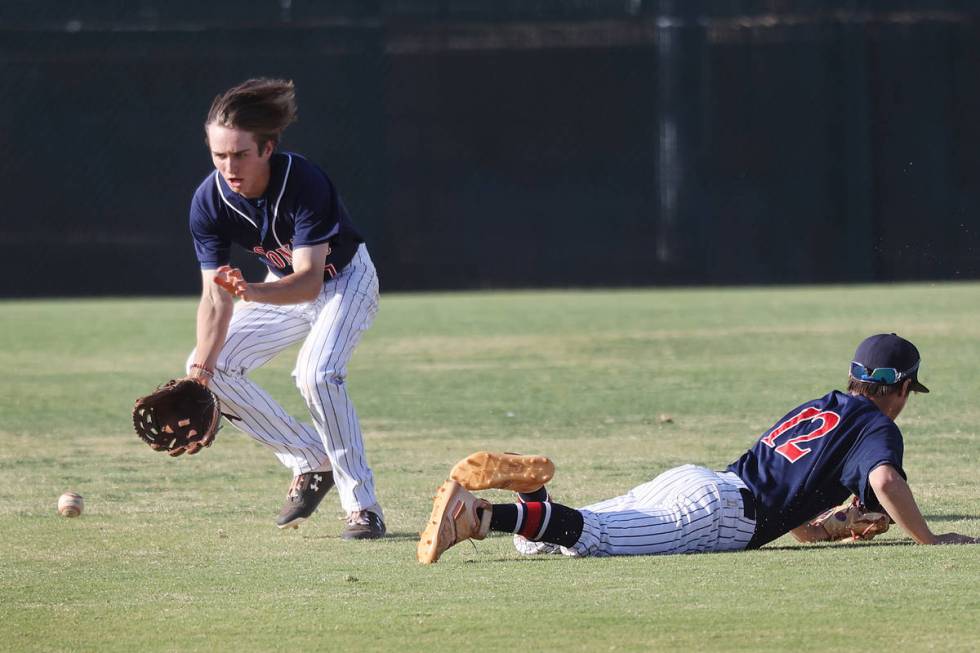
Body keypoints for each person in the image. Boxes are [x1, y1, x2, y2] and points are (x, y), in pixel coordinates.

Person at [418, 333, 978, 562]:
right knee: (594, 538)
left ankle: (530, 490)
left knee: (549, 544)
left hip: (701, 483)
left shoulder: (825, 405)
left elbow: (791, 503)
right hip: (715, 515)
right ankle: (480, 515)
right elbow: (884, 482)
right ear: (902, 388)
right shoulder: (879, 427)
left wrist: (828, 526)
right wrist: (929, 539)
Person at [185, 78, 384, 539]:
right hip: (279, 287)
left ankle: (363, 507)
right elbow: (214, 297)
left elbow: (310, 280)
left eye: (240, 154)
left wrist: (252, 293)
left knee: (316, 374)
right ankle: (310, 459)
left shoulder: (304, 182)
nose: (228, 166)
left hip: (345, 281)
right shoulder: (209, 202)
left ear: (268, 147)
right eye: (219, 155)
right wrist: (201, 375)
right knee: (210, 365)